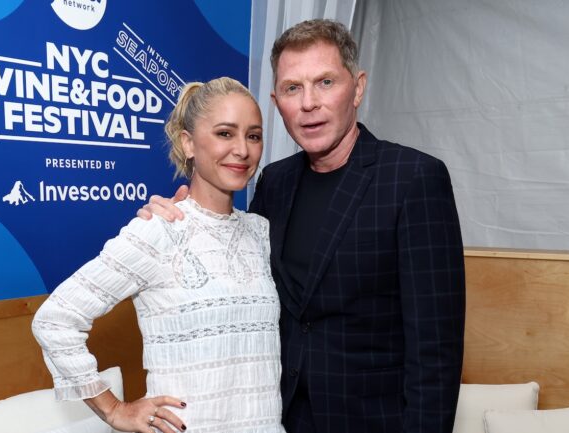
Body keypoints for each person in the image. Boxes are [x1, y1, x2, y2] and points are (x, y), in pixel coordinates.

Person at [139, 19, 465, 433]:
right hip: (280, 418)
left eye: (325, 82)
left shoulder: (413, 178)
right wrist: (176, 218)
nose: (309, 103)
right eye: (293, 88)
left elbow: (436, 352)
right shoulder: (274, 182)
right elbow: (234, 269)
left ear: (358, 88)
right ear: (277, 102)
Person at [33, 77, 286, 433]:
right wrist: (114, 410)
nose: (242, 150)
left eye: (254, 135)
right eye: (225, 133)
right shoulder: (158, 229)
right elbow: (54, 320)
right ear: (188, 143)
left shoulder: (261, 232)